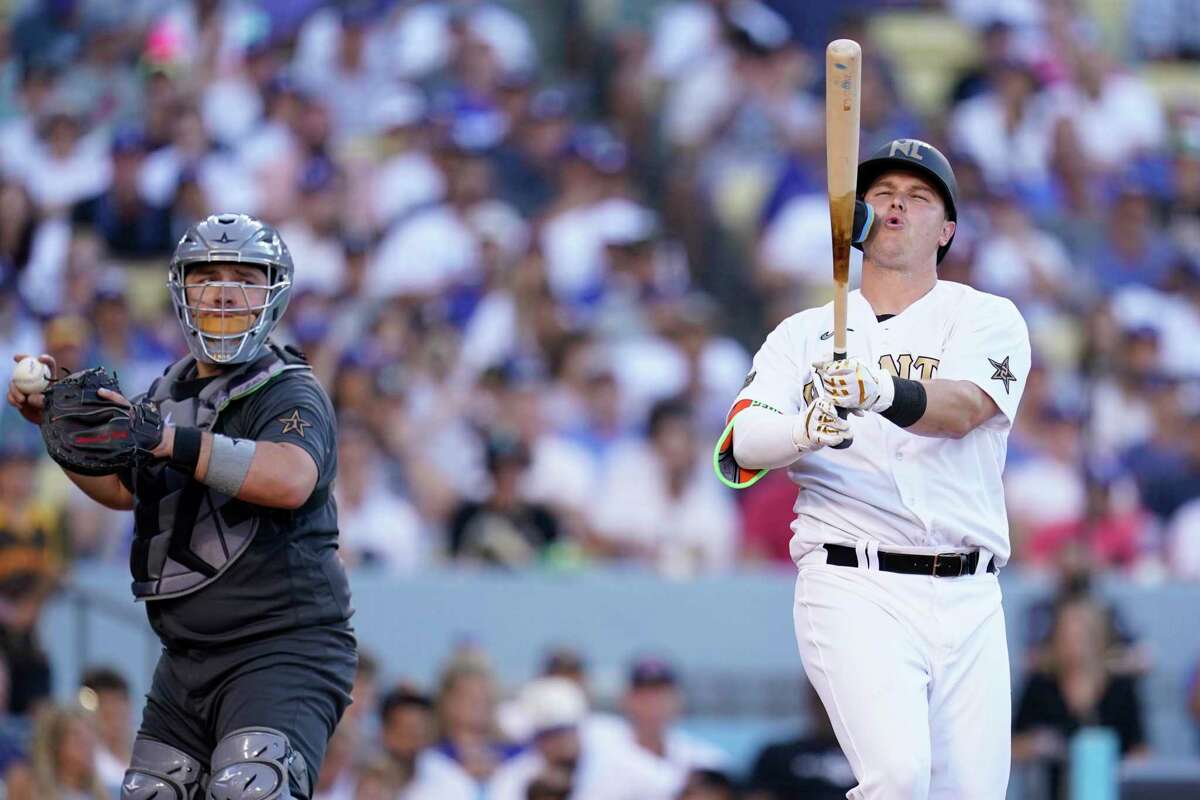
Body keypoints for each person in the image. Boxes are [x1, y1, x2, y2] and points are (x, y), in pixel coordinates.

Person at [715, 139, 1031, 798]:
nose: (897, 204)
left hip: (969, 590)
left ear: (946, 230)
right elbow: (740, 446)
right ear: (855, 220)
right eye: (884, 193)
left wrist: (881, 391)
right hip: (854, 581)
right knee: (897, 777)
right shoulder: (803, 333)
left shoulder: (985, 317)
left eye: (919, 197)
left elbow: (966, 407)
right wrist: (805, 430)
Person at [7, 213, 356, 799]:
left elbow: (292, 476)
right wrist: (56, 430)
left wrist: (169, 440)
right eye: (206, 276)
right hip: (186, 660)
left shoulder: (289, 389)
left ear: (273, 293)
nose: (223, 290)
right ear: (182, 290)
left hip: (280, 651)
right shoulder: (167, 389)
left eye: (244, 276)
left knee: (252, 791)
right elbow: (125, 489)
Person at [1012, 595, 1148, 799]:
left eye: (1082, 636)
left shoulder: (1120, 688)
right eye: (1067, 636)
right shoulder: (1040, 685)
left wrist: (1117, 766)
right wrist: (1036, 744)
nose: (1074, 645)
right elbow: (1011, 747)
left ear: (1100, 638)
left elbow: (1142, 751)